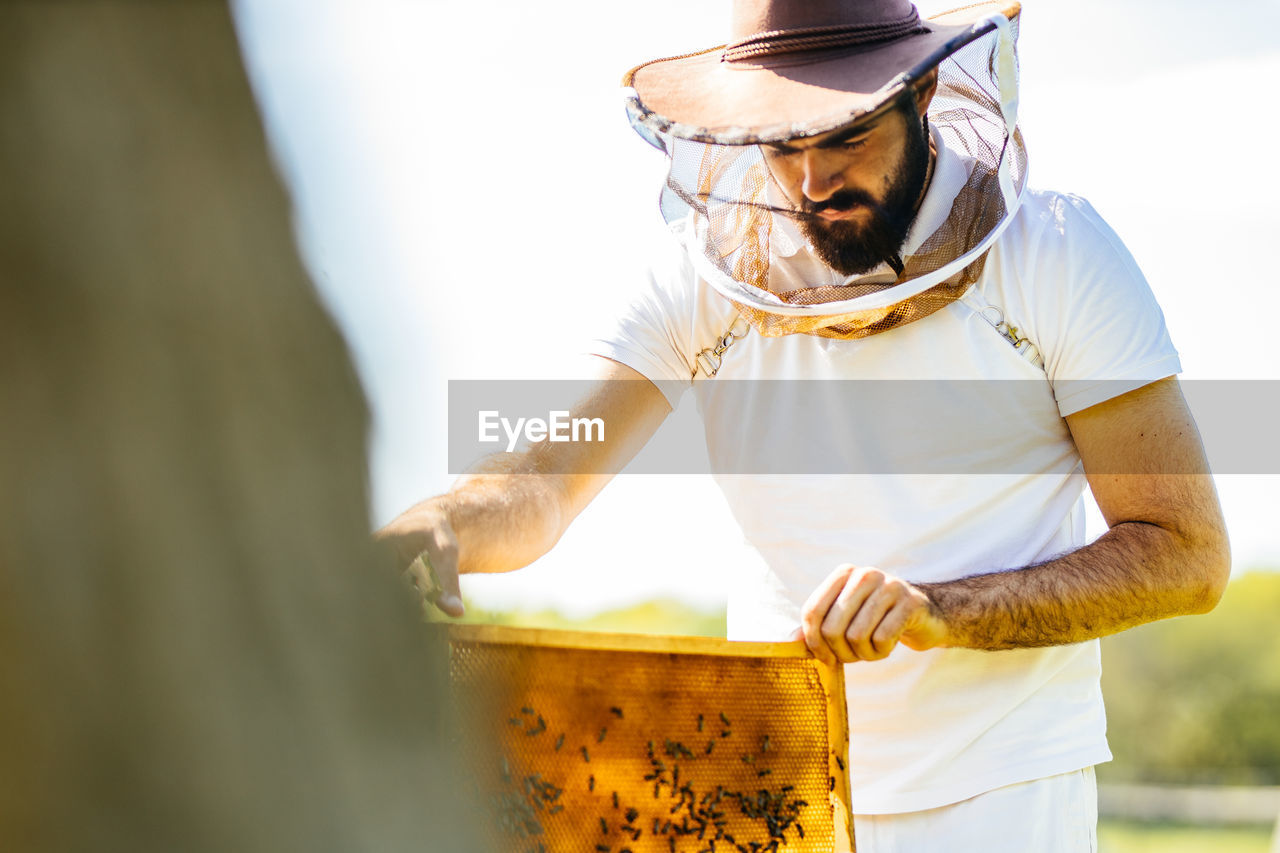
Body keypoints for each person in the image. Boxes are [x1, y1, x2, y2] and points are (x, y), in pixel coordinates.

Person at [378, 0, 1230, 849]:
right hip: (766, 778)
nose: (815, 184)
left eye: (846, 136)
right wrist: (446, 521)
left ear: (923, 90)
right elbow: (545, 475)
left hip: (1004, 789)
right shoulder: (697, 281)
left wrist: (941, 610)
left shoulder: (1059, 255)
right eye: (785, 146)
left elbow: (1185, 551)